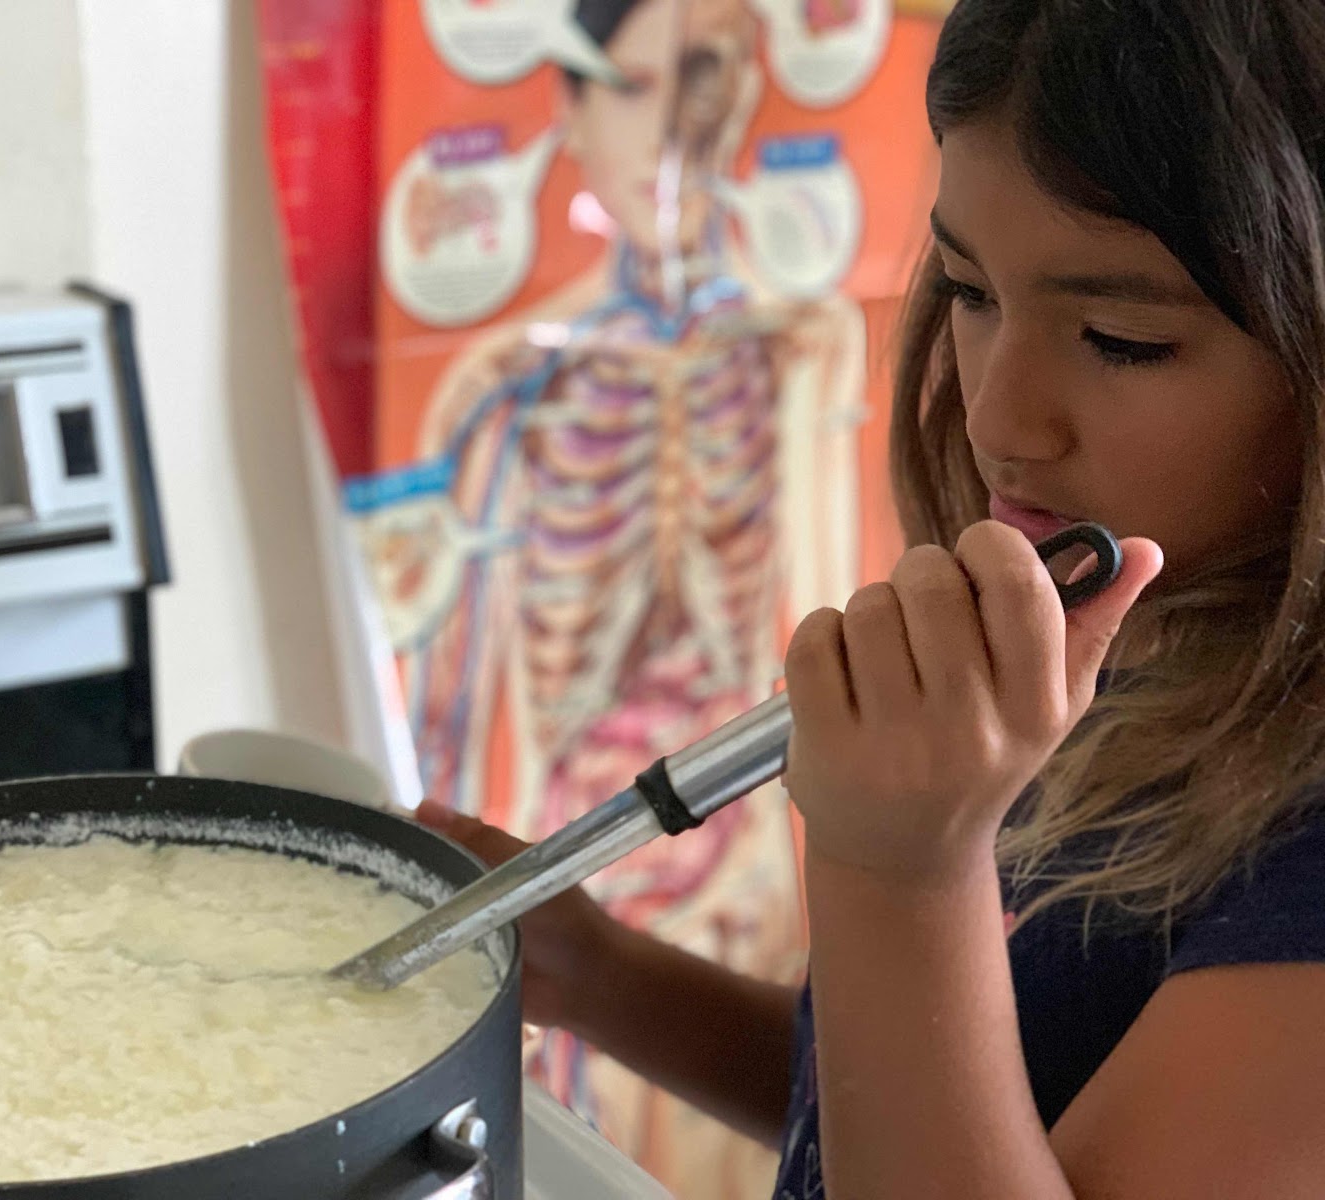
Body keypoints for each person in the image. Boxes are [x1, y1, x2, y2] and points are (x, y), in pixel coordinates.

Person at [416, 0, 1325, 1195]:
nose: (998, 419)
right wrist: (602, 978)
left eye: (1117, 338)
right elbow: (904, 1098)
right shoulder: (1137, 636)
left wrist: (902, 869)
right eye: (969, 291)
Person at [357, 0, 865, 1186]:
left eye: (709, 76)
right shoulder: (501, 388)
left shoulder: (803, 353)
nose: (679, 125)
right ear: (570, 111)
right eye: (635, 85)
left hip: (751, 888)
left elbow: (833, 642)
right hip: (572, 880)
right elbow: (445, 709)